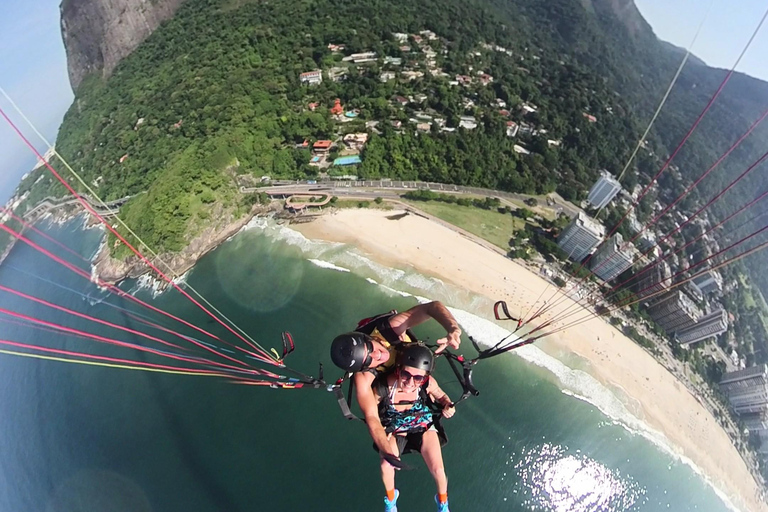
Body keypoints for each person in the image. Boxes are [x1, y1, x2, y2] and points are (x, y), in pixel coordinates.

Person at [373, 343, 454, 512]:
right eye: (405, 374)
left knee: (438, 469)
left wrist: (448, 405)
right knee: (386, 464)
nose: (410, 382)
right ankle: (390, 499)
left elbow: (441, 396)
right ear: (398, 369)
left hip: (421, 423)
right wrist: (382, 436)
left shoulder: (428, 383)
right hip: (396, 427)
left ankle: (443, 503)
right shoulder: (383, 387)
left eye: (418, 378)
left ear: (424, 378)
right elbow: (371, 416)